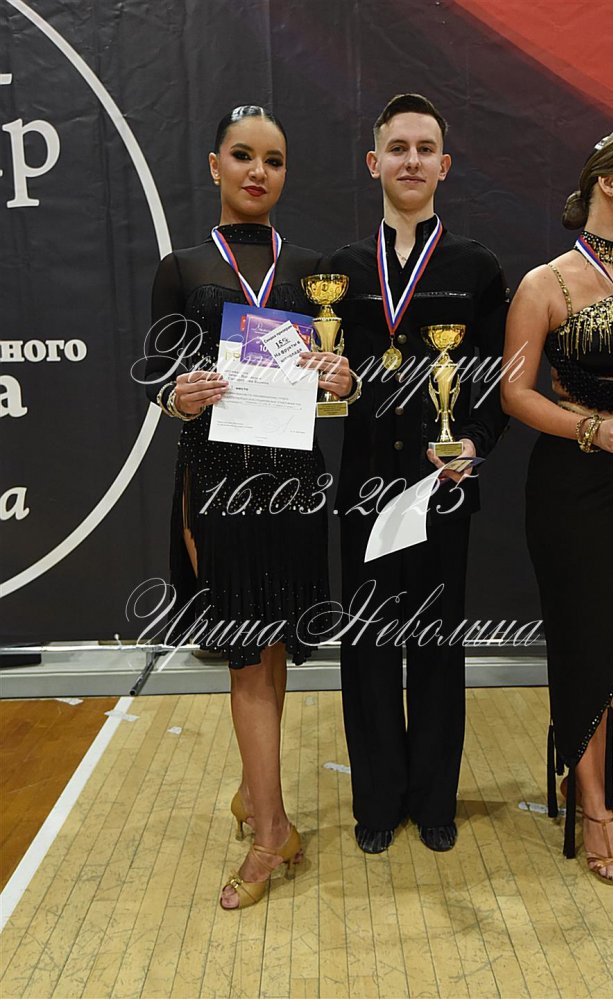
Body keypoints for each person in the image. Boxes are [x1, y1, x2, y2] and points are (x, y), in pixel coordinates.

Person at [144, 105, 351, 908]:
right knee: (243, 652)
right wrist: (180, 396)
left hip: (293, 482)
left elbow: (334, 378)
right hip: (217, 480)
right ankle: (272, 831)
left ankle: (253, 794)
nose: (258, 171)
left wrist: (342, 379)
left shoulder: (313, 269)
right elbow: (158, 382)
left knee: (270, 649)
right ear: (215, 165)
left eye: (273, 159)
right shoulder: (182, 267)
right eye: (242, 156)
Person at [330, 94, 508, 854]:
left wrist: (472, 441)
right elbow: (322, 376)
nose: (411, 160)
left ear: (444, 164)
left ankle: (435, 798)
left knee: (437, 646)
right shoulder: (340, 273)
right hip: (365, 487)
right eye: (397, 148)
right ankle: (377, 801)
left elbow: (496, 382)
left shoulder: (477, 268)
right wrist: (329, 382)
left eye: (424, 148)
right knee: (368, 647)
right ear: (375, 162)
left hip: (442, 488)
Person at [502, 122, 613, 886]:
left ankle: (587, 779)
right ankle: (595, 803)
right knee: (589, 642)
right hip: (577, 485)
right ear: (609, 179)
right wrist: (591, 429)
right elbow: (514, 391)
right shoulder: (547, 283)